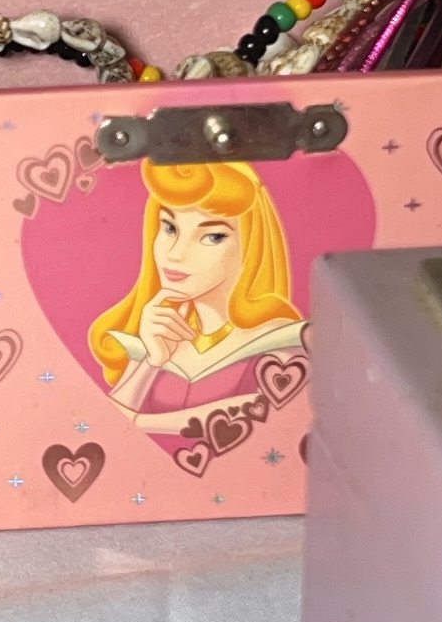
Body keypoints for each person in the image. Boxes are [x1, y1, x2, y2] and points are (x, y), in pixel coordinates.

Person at [88, 161, 308, 448]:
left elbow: (256, 414)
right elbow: (107, 432)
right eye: (169, 228)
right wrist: (151, 362)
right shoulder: (160, 330)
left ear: (251, 246)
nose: (176, 254)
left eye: (212, 236)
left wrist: (139, 422)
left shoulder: (281, 343)